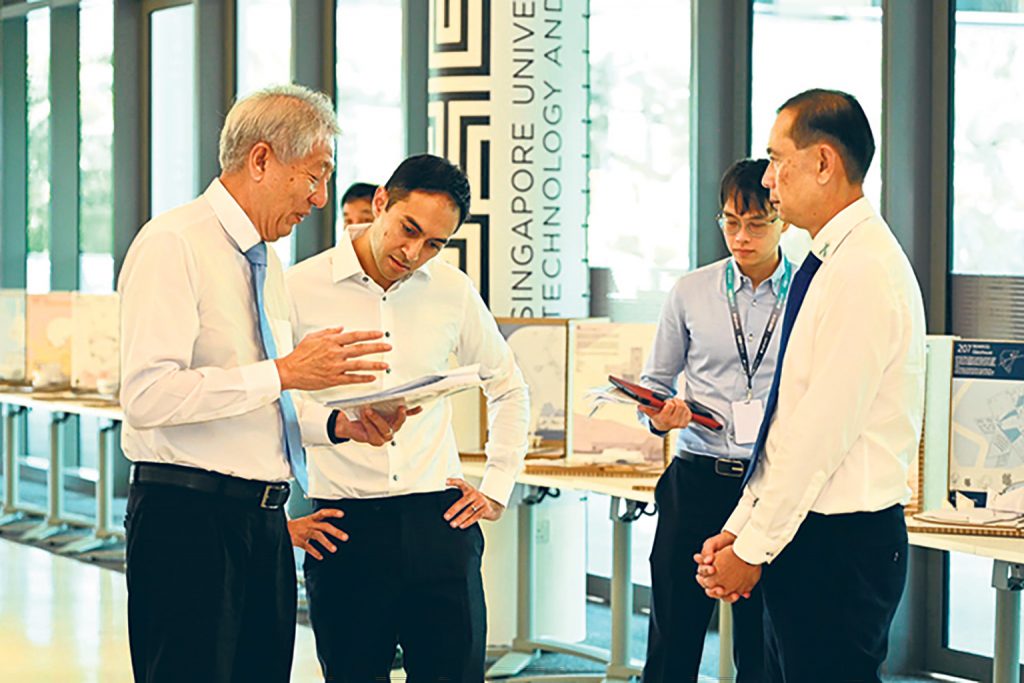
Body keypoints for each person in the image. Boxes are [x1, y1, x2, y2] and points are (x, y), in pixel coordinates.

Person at [118, 84, 414, 683]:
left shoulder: (265, 263)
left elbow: (263, 402)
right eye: (314, 175)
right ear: (260, 160)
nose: (321, 198)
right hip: (189, 523)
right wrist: (284, 371)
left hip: (263, 524)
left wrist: (339, 424)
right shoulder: (174, 244)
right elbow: (148, 397)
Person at [696, 89, 926, 683]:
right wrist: (743, 526)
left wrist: (752, 549)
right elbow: (790, 419)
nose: (769, 179)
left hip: (841, 542)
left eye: (778, 160)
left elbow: (821, 432)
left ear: (824, 163)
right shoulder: (829, 258)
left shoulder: (863, 271)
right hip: (809, 534)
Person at [285, 153, 529, 683]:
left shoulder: (451, 290)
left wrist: (497, 484)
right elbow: (272, 405)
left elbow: (508, 386)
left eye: (435, 244)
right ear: (379, 204)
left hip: (440, 524)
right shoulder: (296, 289)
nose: (414, 253)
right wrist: (332, 430)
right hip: (344, 529)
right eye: (408, 229)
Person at [639, 158, 790, 683]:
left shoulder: (808, 296)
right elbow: (654, 387)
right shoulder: (690, 291)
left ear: (783, 221)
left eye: (755, 223)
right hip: (696, 479)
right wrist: (662, 418)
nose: (740, 236)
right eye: (730, 221)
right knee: (673, 634)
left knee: (763, 645)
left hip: (769, 485)